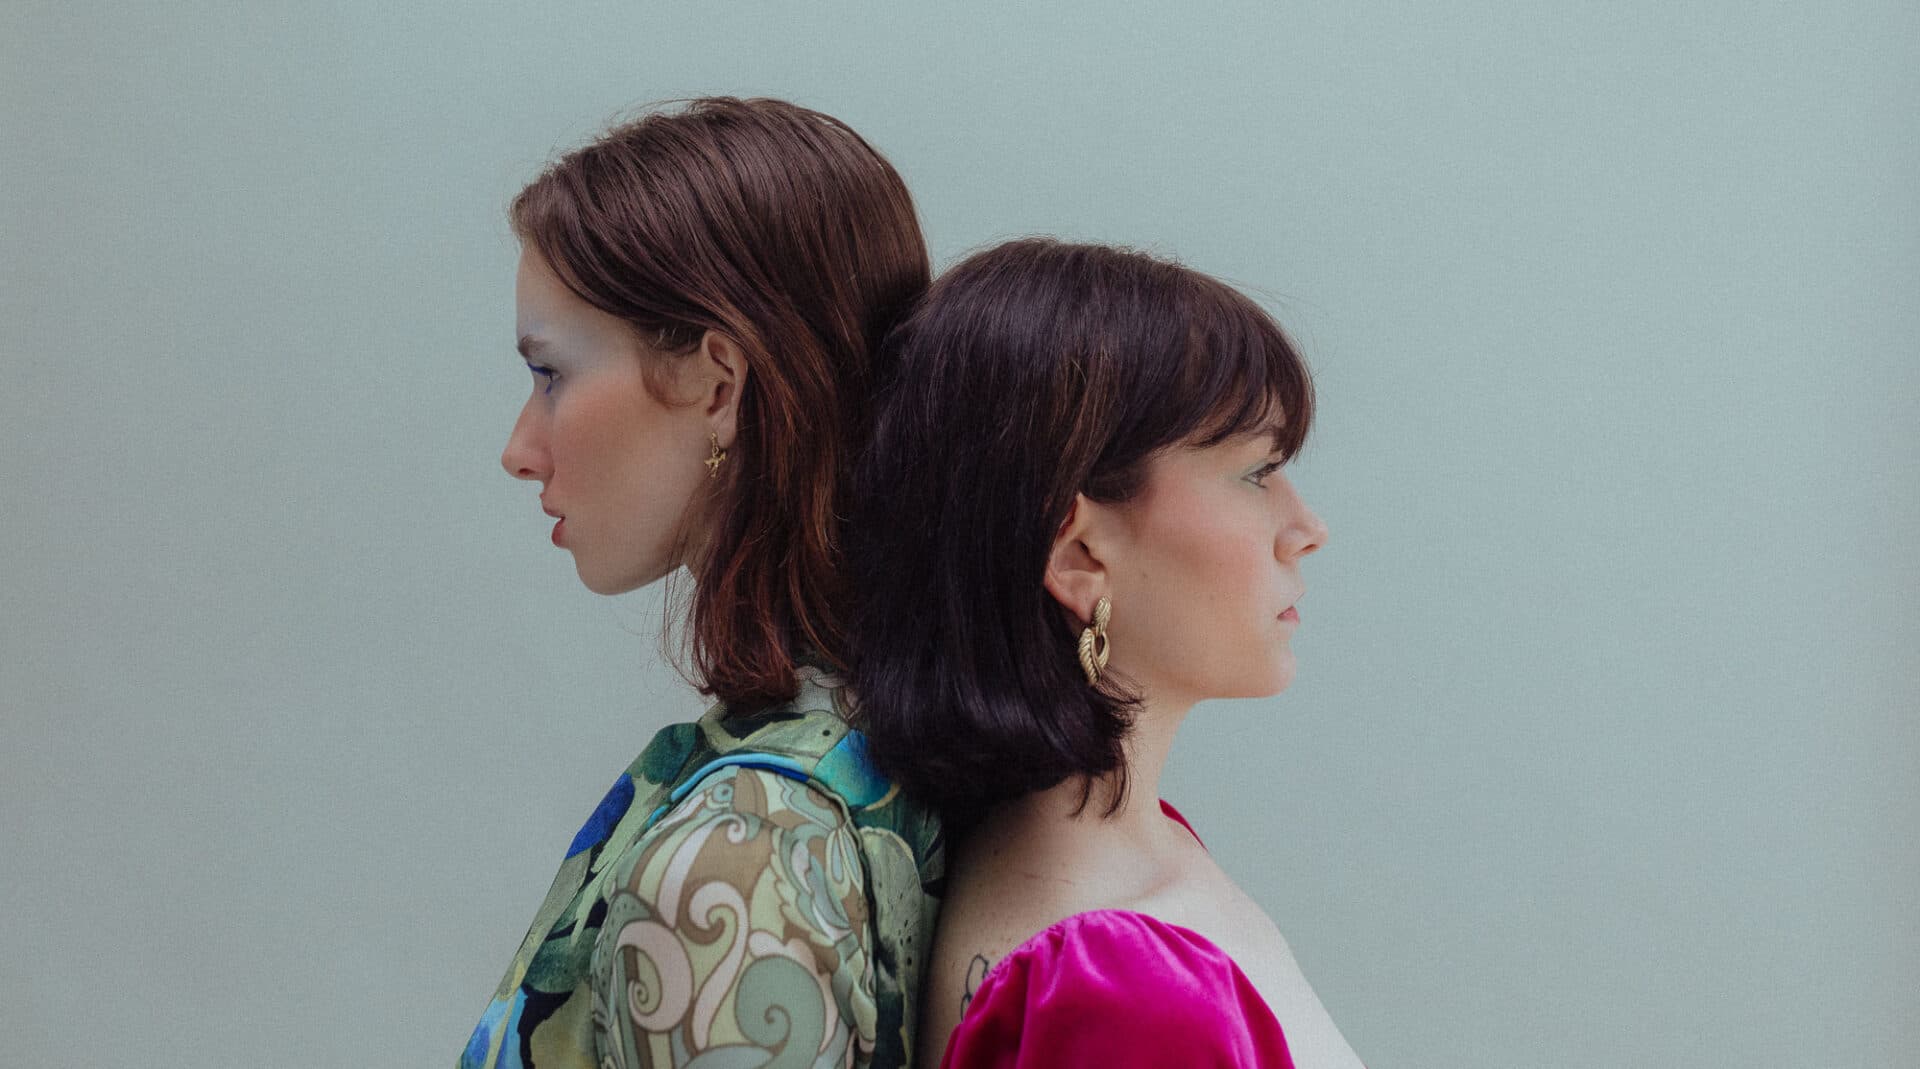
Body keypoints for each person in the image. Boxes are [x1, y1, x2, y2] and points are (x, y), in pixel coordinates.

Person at [462, 98, 943, 1069]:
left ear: (720, 385)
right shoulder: (909, 739)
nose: (519, 449)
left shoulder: (742, 853)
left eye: (551, 374)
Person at [848, 239, 1365, 1067]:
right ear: (1078, 554)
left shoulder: (1142, 853)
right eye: (1256, 471)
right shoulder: (1114, 987)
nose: (1307, 529)